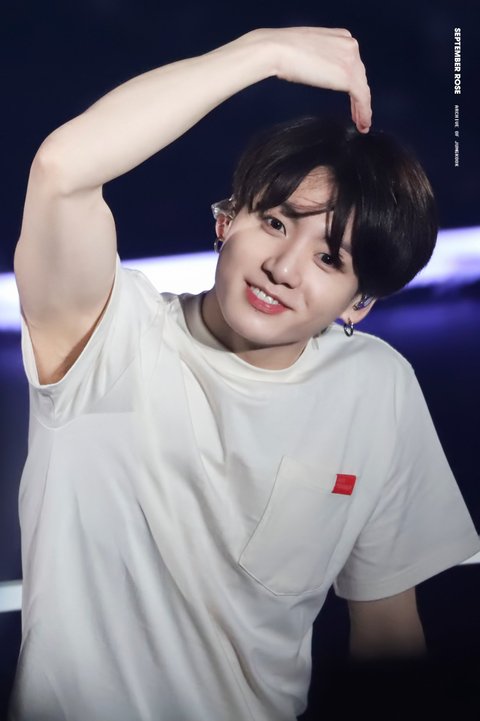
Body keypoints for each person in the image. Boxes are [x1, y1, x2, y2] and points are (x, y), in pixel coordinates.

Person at [10, 26, 480, 721]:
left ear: (359, 303)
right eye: (276, 222)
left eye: (330, 259)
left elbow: (387, 632)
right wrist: (261, 52)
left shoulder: (375, 388)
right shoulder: (106, 330)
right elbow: (62, 169)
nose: (283, 268)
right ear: (227, 222)